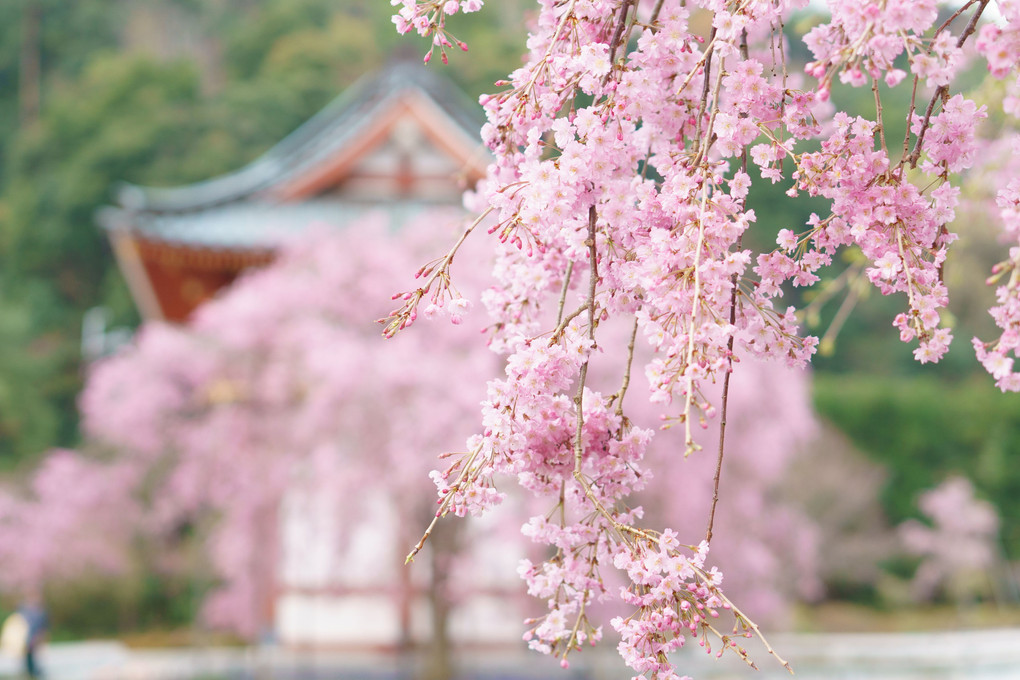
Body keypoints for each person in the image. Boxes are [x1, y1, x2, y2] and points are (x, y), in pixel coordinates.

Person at [16, 601, 47, 679]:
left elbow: (42, 625)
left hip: (32, 637)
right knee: (28, 656)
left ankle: (32, 672)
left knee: (32, 655)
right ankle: (30, 672)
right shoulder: (24, 610)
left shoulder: (38, 612)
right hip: (26, 637)